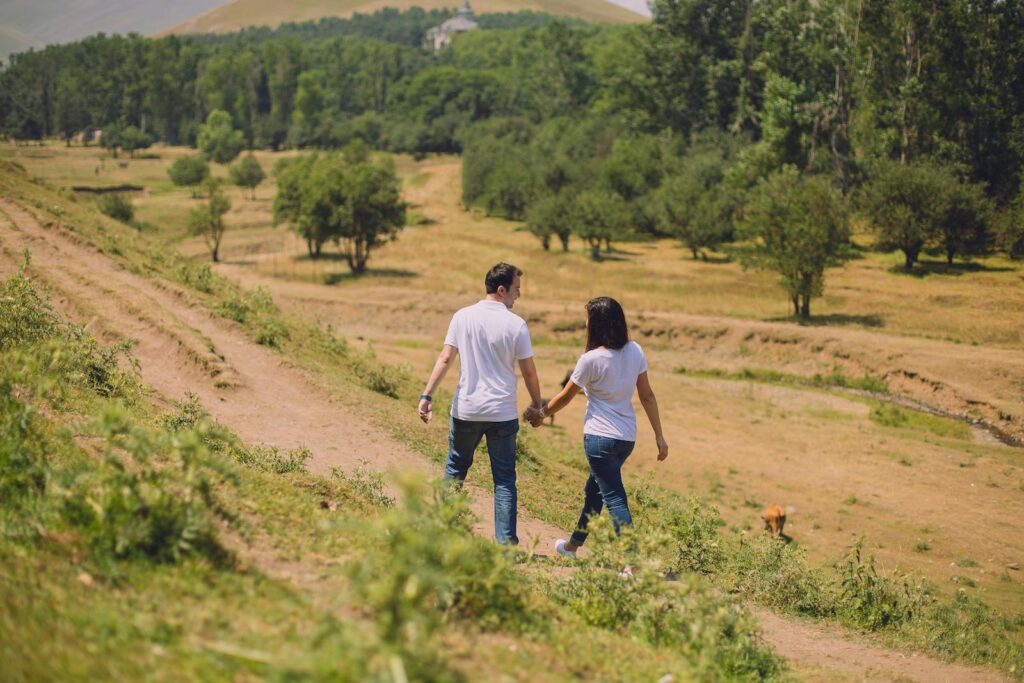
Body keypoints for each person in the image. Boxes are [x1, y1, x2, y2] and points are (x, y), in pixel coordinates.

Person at [526, 296, 668, 558]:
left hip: (599, 439)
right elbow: (647, 395)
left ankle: (632, 561)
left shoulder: (590, 359)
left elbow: (566, 396)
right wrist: (659, 435)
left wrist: (541, 414)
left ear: (596, 325)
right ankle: (572, 546)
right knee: (595, 491)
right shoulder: (635, 350)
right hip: (625, 439)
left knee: (614, 497)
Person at [419, 262, 543, 545]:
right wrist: (538, 405)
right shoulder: (516, 325)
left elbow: (445, 358)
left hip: (467, 409)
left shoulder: (462, 317)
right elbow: (530, 372)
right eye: (516, 289)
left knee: (455, 468)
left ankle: (443, 530)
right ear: (502, 290)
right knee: (504, 480)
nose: (519, 295)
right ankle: (506, 543)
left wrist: (427, 396)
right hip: (502, 412)